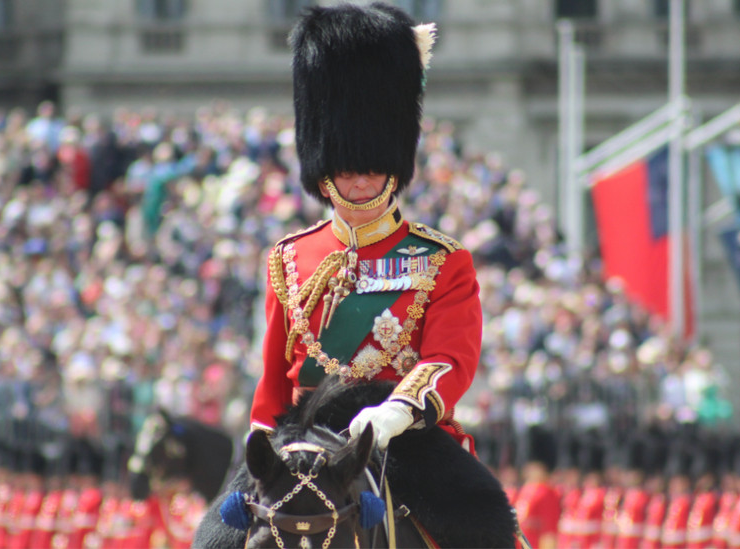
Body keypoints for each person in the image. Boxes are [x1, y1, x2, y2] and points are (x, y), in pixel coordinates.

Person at [195, 3, 516, 547]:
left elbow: (450, 359)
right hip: (298, 442)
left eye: (371, 166)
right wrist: (262, 439)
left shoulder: (440, 258)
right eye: (348, 167)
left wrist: (395, 412)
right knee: (211, 539)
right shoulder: (289, 258)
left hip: (402, 440)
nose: (362, 180)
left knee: (488, 524)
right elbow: (276, 377)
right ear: (325, 172)